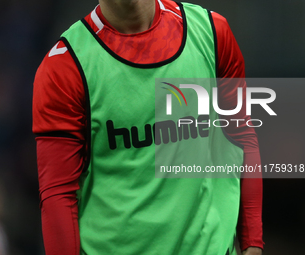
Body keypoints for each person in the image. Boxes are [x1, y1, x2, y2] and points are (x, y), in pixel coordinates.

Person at [33, 0, 264, 254]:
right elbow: (58, 194)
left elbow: (242, 135)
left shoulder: (212, 32)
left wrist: (253, 242)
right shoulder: (65, 66)